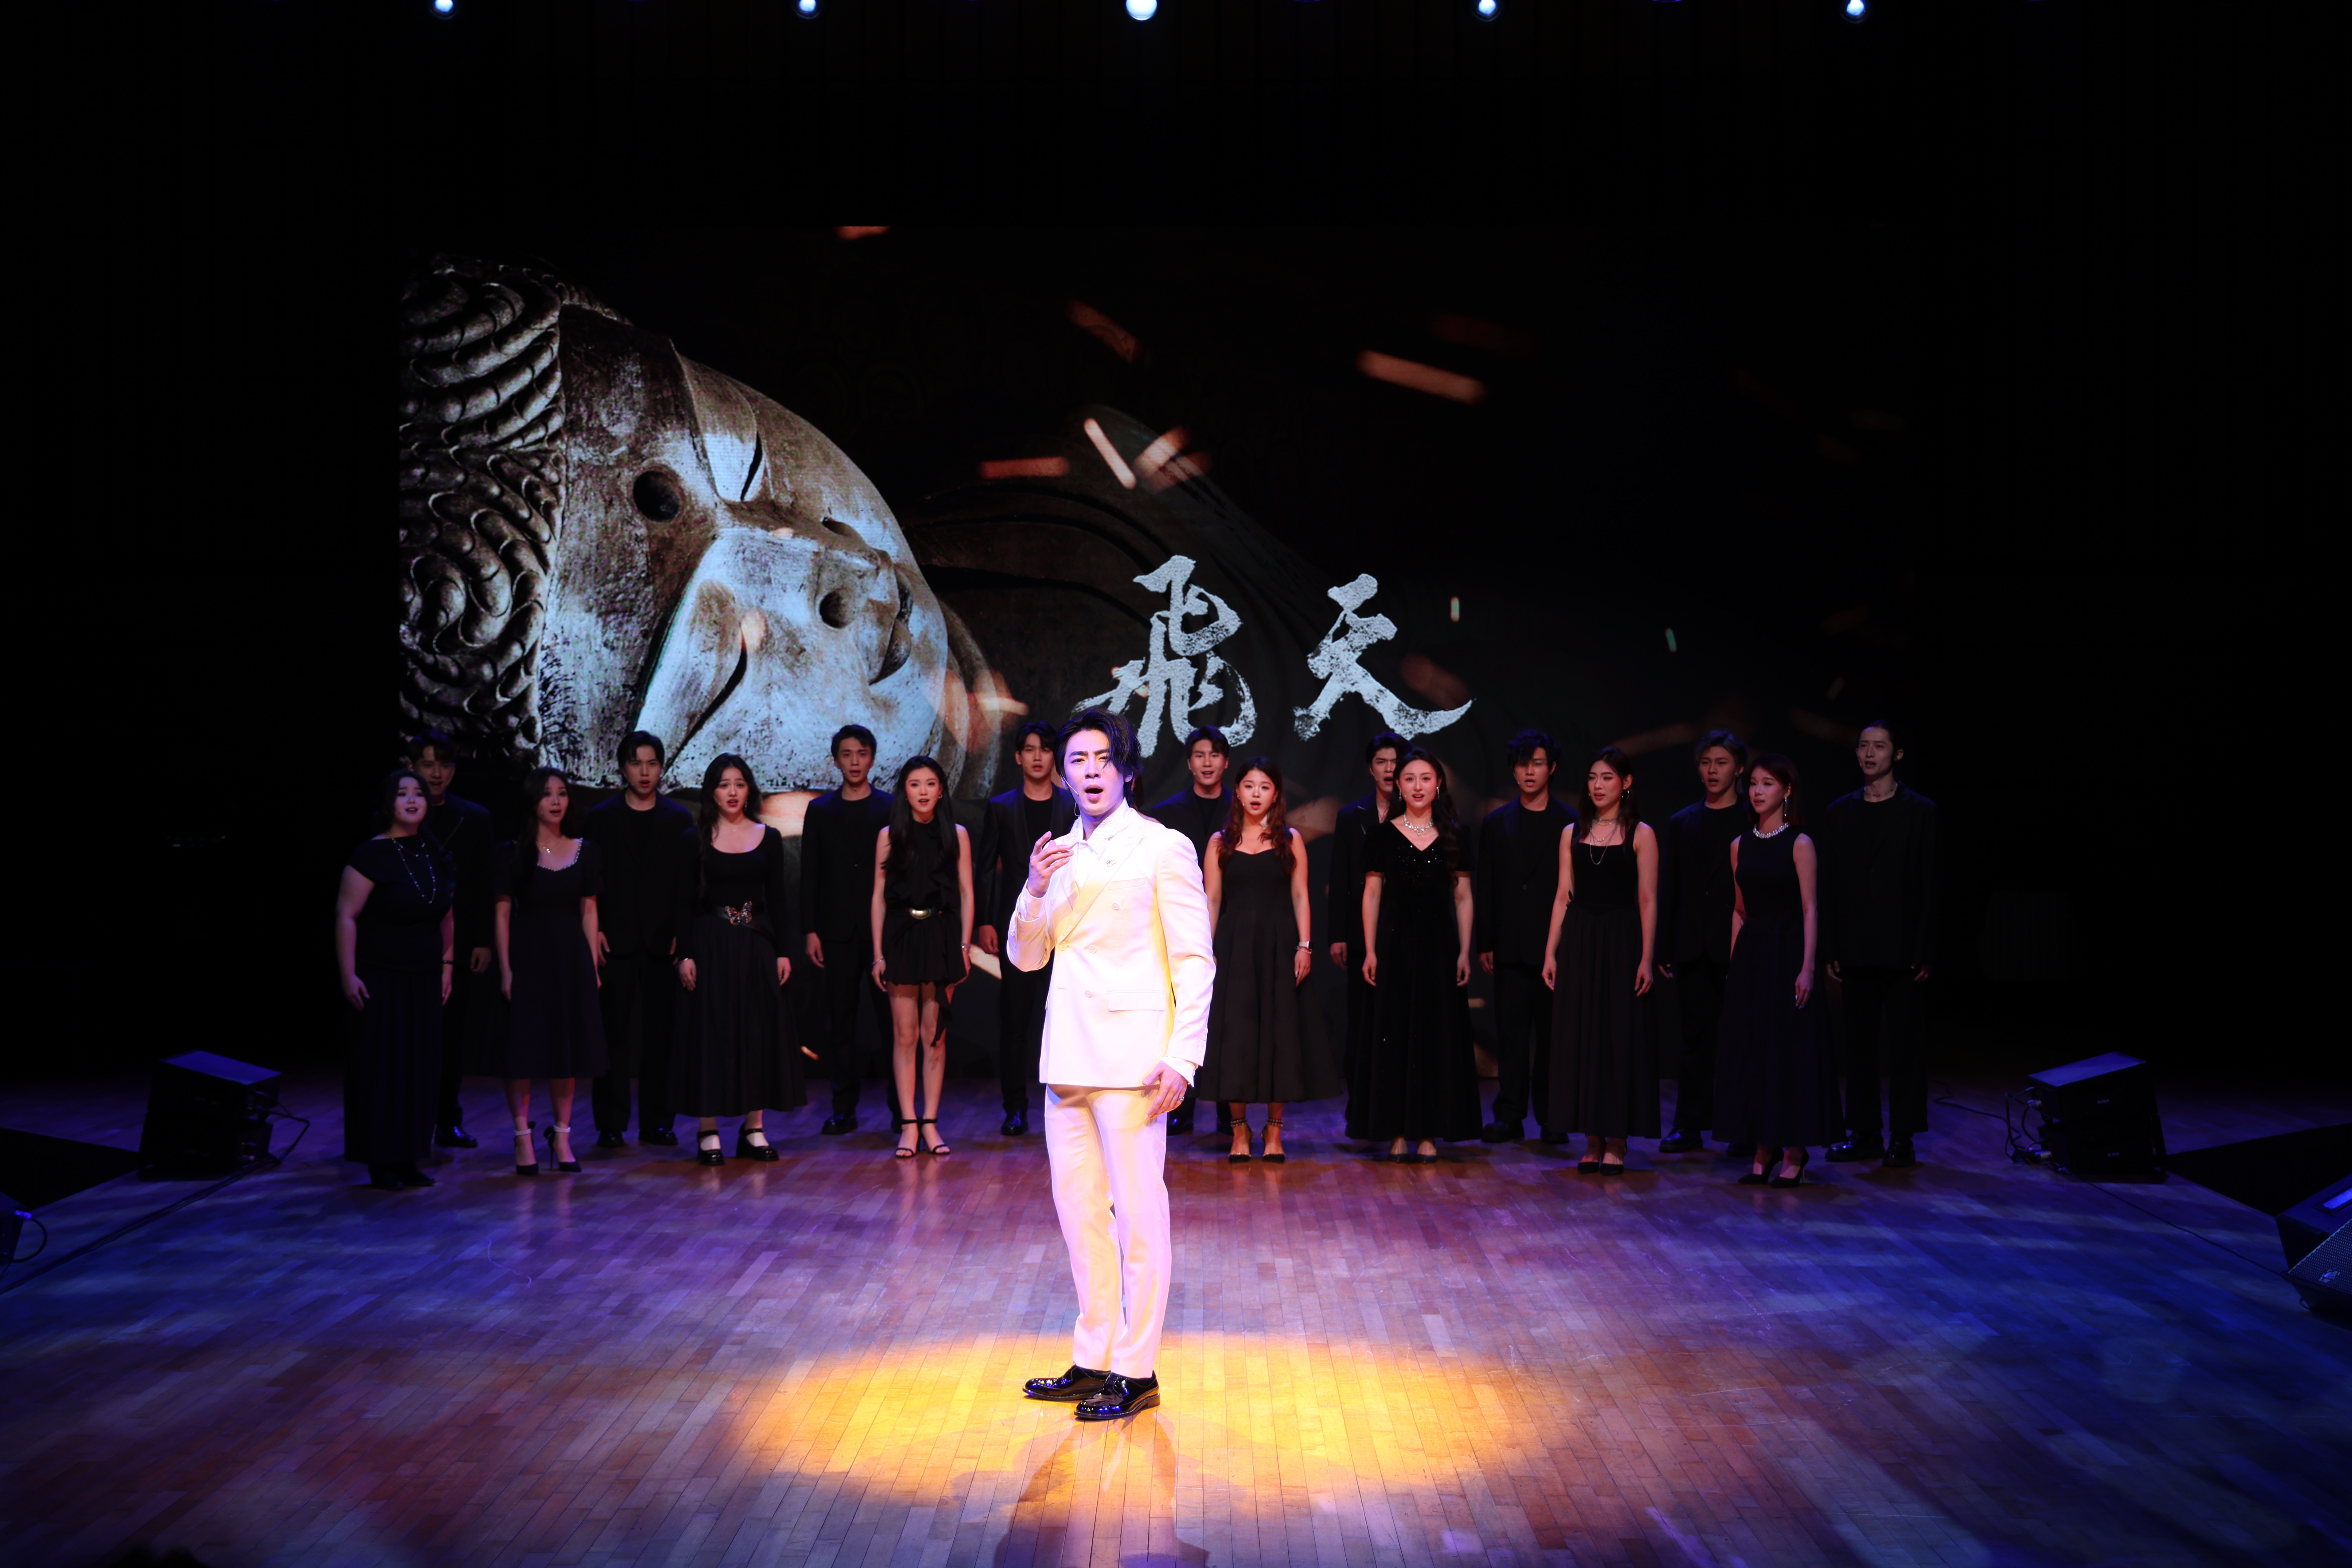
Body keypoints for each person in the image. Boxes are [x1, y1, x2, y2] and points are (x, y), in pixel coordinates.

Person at [1012, 709, 1213, 1422]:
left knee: (1138, 1217)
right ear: (1063, 776)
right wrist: (1034, 889)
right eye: (1078, 760)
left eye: (1103, 758)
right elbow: (1025, 957)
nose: (1090, 771)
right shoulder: (1057, 854)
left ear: (1126, 770)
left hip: (1134, 1061)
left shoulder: (1163, 846)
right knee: (1080, 1218)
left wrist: (1183, 1057)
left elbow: (1194, 960)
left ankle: (1136, 1368)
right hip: (1068, 1056)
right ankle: (1094, 1355)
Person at [672, 754, 812, 1165]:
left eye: (739, 784)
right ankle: (708, 1130)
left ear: (749, 789)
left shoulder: (767, 837)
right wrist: (685, 954)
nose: (732, 792)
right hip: (710, 944)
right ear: (712, 792)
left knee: (756, 1034)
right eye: (723, 785)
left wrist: (783, 951)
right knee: (711, 1033)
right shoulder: (695, 838)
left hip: (756, 944)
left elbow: (778, 900)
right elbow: (683, 903)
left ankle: (754, 1128)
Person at [1198, 758, 1336, 1162]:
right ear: (1237, 791)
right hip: (1234, 945)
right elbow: (1212, 899)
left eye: (1264, 787)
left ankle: (1274, 1131)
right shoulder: (1219, 842)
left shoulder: (1290, 839)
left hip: (1280, 945)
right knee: (1236, 1036)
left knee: (1282, 1035)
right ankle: (1239, 1130)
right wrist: (1205, 951)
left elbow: (1300, 895)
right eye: (1249, 786)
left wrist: (1305, 946)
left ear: (1276, 794)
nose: (1256, 794)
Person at [1817, 720, 1941, 1169]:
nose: (1870, 754)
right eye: (1864, 746)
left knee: (1906, 1044)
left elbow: (1930, 885)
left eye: (1880, 746)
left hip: (1903, 947)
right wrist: (1832, 945)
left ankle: (1903, 1135)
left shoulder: (1920, 811)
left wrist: (1925, 948)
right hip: (1856, 945)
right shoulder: (1840, 812)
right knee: (1860, 1044)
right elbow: (1831, 884)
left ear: (1898, 755)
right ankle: (1865, 1132)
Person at [1349, 747, 1480, 1163]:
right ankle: (1396, 1130)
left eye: (1426, 778)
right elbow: (1372, 894)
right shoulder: (1381, 835)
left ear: (1438, 784)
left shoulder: (1456, 834)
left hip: (1440, 946)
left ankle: (1428, 1131)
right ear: (1399, 786)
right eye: (1410, 779)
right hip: (1394, 944)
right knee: (1394, 1035)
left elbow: (1463, 897)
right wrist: (1371, 950)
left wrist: (1465, 951)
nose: (1418, 786)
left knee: (1435, 1035)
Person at [1715, 755, 1838, 1187]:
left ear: (1786, 790)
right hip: (1753, 955)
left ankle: (1794, 1151)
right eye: (1753, 783)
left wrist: (1808, 967)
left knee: (1789, 1050)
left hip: (1788, 951)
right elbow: (1740, 910)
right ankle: (1762, 1147)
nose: (1757, 791)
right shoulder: (1740, 845)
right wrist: (1735, 966)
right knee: (1755, 1051)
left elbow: (1810, 908)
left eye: (1767, 783)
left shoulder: (1800, 843)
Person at [334, 769, 456, 1191]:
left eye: (418, 793)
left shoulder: (433, 851)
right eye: (402, 794)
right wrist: (348, 974)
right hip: (381, 978)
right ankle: (381, 1161)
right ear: (388, 804)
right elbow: (346, 916)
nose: (412, 800)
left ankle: (408, 1157)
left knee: (419, 1069)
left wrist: (447, 966)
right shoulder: (370, 855)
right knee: (384, 1070)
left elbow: (447, 916)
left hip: (424, 978)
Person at [1543, 746, 1661, 1174]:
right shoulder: (1571, 833)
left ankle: (1616, 1139)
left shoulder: (1641, 833)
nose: (1597, 785)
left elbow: (1648, 899)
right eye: (1592, 777)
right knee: (1582, 1035)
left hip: (1622, 940)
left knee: (1617, 1035)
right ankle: (1592, 1138)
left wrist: (1647, 957)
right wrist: (1550, 952)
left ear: (1625, 783)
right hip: (1581, 938)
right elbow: (1563, 895)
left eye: (1607, 777)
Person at [492, 768, 609, 1176]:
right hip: (528, 958)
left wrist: (591, 966)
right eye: (547, 794)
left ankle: (562, 1136)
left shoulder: (585, 851)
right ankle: (522, 1136)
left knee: (566, 1050)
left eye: (562, 793)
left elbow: (589, 910)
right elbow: (502, 915)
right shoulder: (513, 853)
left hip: (570, 960)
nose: (557, 801)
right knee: (523, 1052)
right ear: (532, 802)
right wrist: (506, 969)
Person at [582, 731, 692, 1148]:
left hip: (663, 942)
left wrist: (683, 936)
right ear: (623, 768)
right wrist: (596, 930)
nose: (645, 772)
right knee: (613, 1034)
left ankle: (658, 1123)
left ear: (662, 768)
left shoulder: (679, 818)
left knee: (661, 1036)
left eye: (652, 763)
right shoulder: (601, 817)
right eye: (636, 763)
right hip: (615, 941)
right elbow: (590, 881)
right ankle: (610, 1125)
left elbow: (686, 886)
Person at [871, 755, 975, 1158]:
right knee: (905, 1035)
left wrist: (964, 947)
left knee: (935, 1035)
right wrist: (878, 954)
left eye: (931, 783)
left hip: (942, 935)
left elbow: (966, 892)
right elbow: (879, 897)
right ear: (905, 791)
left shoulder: (957, 834)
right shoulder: (889, 835)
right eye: (915, 784)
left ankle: (930, 1122)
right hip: (901, 935)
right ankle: (908, 1125)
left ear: (942, 789)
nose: (923, 792)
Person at [1474, 730, 1575, 1143]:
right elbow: (1486, 885)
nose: (1530, 771)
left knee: (1553, 1036)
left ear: (1552, 768)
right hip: (1509, 946)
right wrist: (1486, 942)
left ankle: (1553, 1117)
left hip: (1555, 947)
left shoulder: (1570, 821)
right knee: (1512, 1035)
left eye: (1538, 763)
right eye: (1522, 764)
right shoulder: (1497, 821)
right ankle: (1510, 1115)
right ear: (1513, 770)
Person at [1655, 730, 1749, 1154]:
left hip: (1738, 945)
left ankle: (1741, 1127)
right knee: (1695, 1039)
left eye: (1722, 762)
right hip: (1693, 945)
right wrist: (1664, 946)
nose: (1713, 770)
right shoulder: (1683, 821)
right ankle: (1688, 1125)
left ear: (1739, 769)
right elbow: (1670, 887)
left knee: (1739, 1040)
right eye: (1707, 762)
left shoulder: (1752, 818)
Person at [981, 721, 1076, 1136]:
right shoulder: (1001, 806)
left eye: (1046, 749)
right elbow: (986, 868)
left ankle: (1069, 1102)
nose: (1038, 757)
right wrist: (985, 921)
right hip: (1017, 925)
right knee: (1015, 1020)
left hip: (1065, 923)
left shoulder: (1071, 803)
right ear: (1019, 757)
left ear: (1055, 756)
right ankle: (1015, 1107)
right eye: (1030, 749)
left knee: (1065, 1015)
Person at [799, 725, 895, 1135]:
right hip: (836, 930)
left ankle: (901, 1109)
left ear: (872, 758)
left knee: (892, 1022)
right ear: (836, 760)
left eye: (862, 754)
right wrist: (810, 929)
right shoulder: (821, 810)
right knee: (840, 1021)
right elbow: (810, 872)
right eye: (847, 754)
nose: (855, 762)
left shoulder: (890, 806)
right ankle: (843, 1108)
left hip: (881, 931)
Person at [1147, 725, 1232, 1134]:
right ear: (1189, 763)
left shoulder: (1241, 809)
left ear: (1226, 762)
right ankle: (1183, 1104)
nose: (1207, 762)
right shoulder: (1167, 813)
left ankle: (1228, 1106)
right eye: (1200, 755)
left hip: (1232, 924)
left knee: (1228, 1018)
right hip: (1178, 925)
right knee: (1183, 1009)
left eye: (1214, 755)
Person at [412, 729, 493, 1150]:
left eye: (444, 765)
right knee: (410, 1034)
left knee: (451, 1034)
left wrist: (483, 940)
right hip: (408, 940)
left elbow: (483, 884)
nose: (436, 773)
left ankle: (448, 1120)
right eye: (428, 765)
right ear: (411, 768)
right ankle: (408, 1122)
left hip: (457, 940)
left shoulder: (474, 818)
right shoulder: (399, 815)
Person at [1327, 730, 1408, 1082]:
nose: (1389, 769)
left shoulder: (1417, 814)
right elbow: (1340, 876)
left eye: (1395, 762)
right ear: (1370, 769)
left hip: (1405, 925)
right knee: (1362, 1015)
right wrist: (1338, 935)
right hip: (1362, 930)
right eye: (1381, 762)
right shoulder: (1352, 815)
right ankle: (1361, 1094)